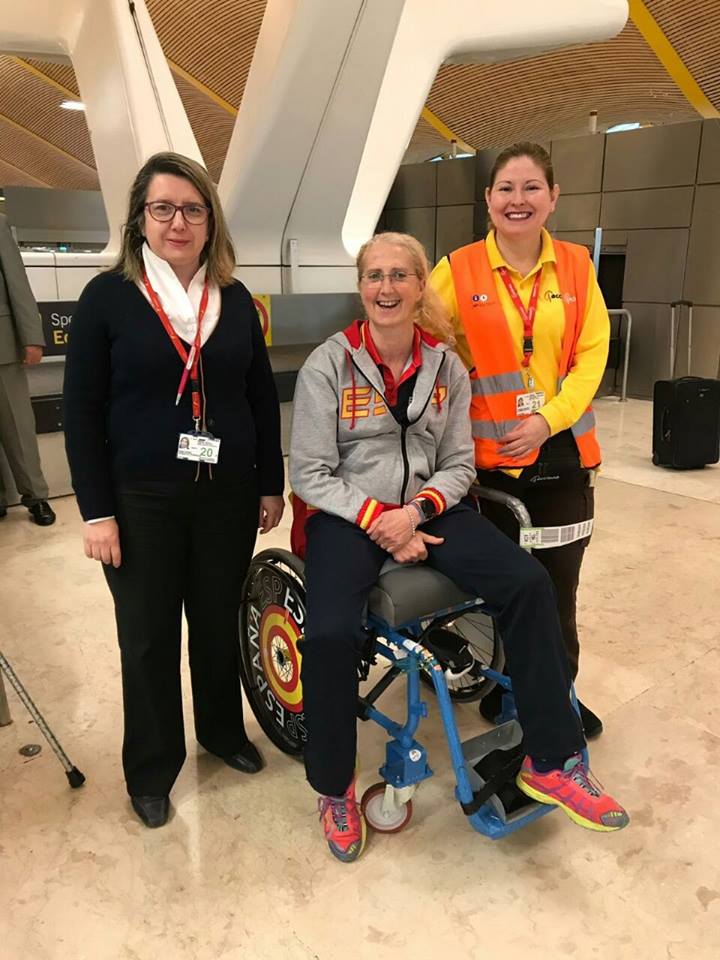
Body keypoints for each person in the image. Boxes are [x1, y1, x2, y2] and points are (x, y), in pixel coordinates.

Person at [289, 231, 628, 864]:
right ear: (360, 288)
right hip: (348, 516)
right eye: (374, 276)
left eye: (400, 275)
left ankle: (552, 761)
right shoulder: (327, 365)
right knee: (331, 632)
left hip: (430, 506)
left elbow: (457, 463)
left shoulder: (445, 366)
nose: (386, 288)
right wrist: (379, 517)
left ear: (422, 287)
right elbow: (309, 471)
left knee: (529, 583)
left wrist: (416, 511)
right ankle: (333, 788)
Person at [63, 152, 284, 828]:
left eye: (193, 209)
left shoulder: (235, 299)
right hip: (141, 499)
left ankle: (220, 732)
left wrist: (269, 483)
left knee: (217, 623)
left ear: (211, 220)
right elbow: (81, 412)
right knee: (148, 636)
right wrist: (97, 512)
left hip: (226, 494)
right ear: (139, 220)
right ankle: (153, 767)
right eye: (163, 208)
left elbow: (260, 396)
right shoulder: (107, 297)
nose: (178, 222)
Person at [430, 142, 609, 739]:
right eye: (506, 188)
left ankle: (558, 696)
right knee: (507, 588)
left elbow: (591, 357)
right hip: (490, 462)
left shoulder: (577, 266)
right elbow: (425, 340)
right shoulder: (458, 270)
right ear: (488, 199)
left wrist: (547, 419)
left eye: (532, 187)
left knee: (559, 586)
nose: (518, 200)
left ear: (553, 197)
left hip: (561, 453)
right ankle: (510, 689)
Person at [0, 213, 56, 526]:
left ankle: (36, 497)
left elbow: (17, 282)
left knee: (17, 427)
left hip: (2, 345)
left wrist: (31, 337)